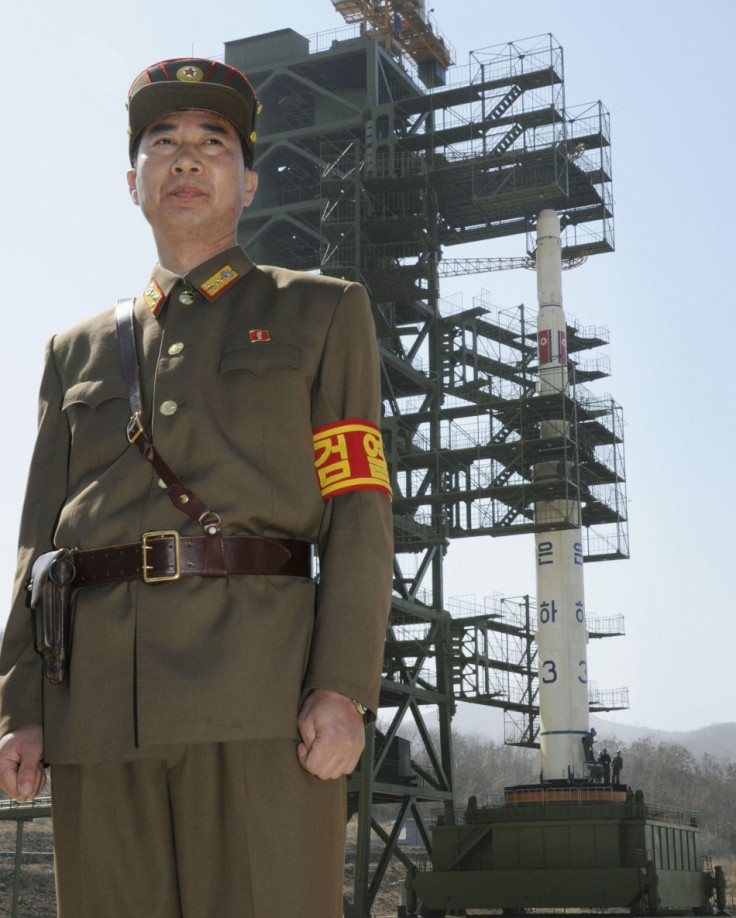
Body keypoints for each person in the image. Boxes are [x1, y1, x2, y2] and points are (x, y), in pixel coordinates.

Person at [0, 57, 393, 918]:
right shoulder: (77, 352)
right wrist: (21, 706)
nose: (185, 159)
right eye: (163, 143)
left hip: (258, 700)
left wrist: (342, 686)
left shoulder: (322, 314)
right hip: (97, 710)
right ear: (131, 181)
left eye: (212, 143)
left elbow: (360, 514)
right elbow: (38, 547)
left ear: (248, 182)